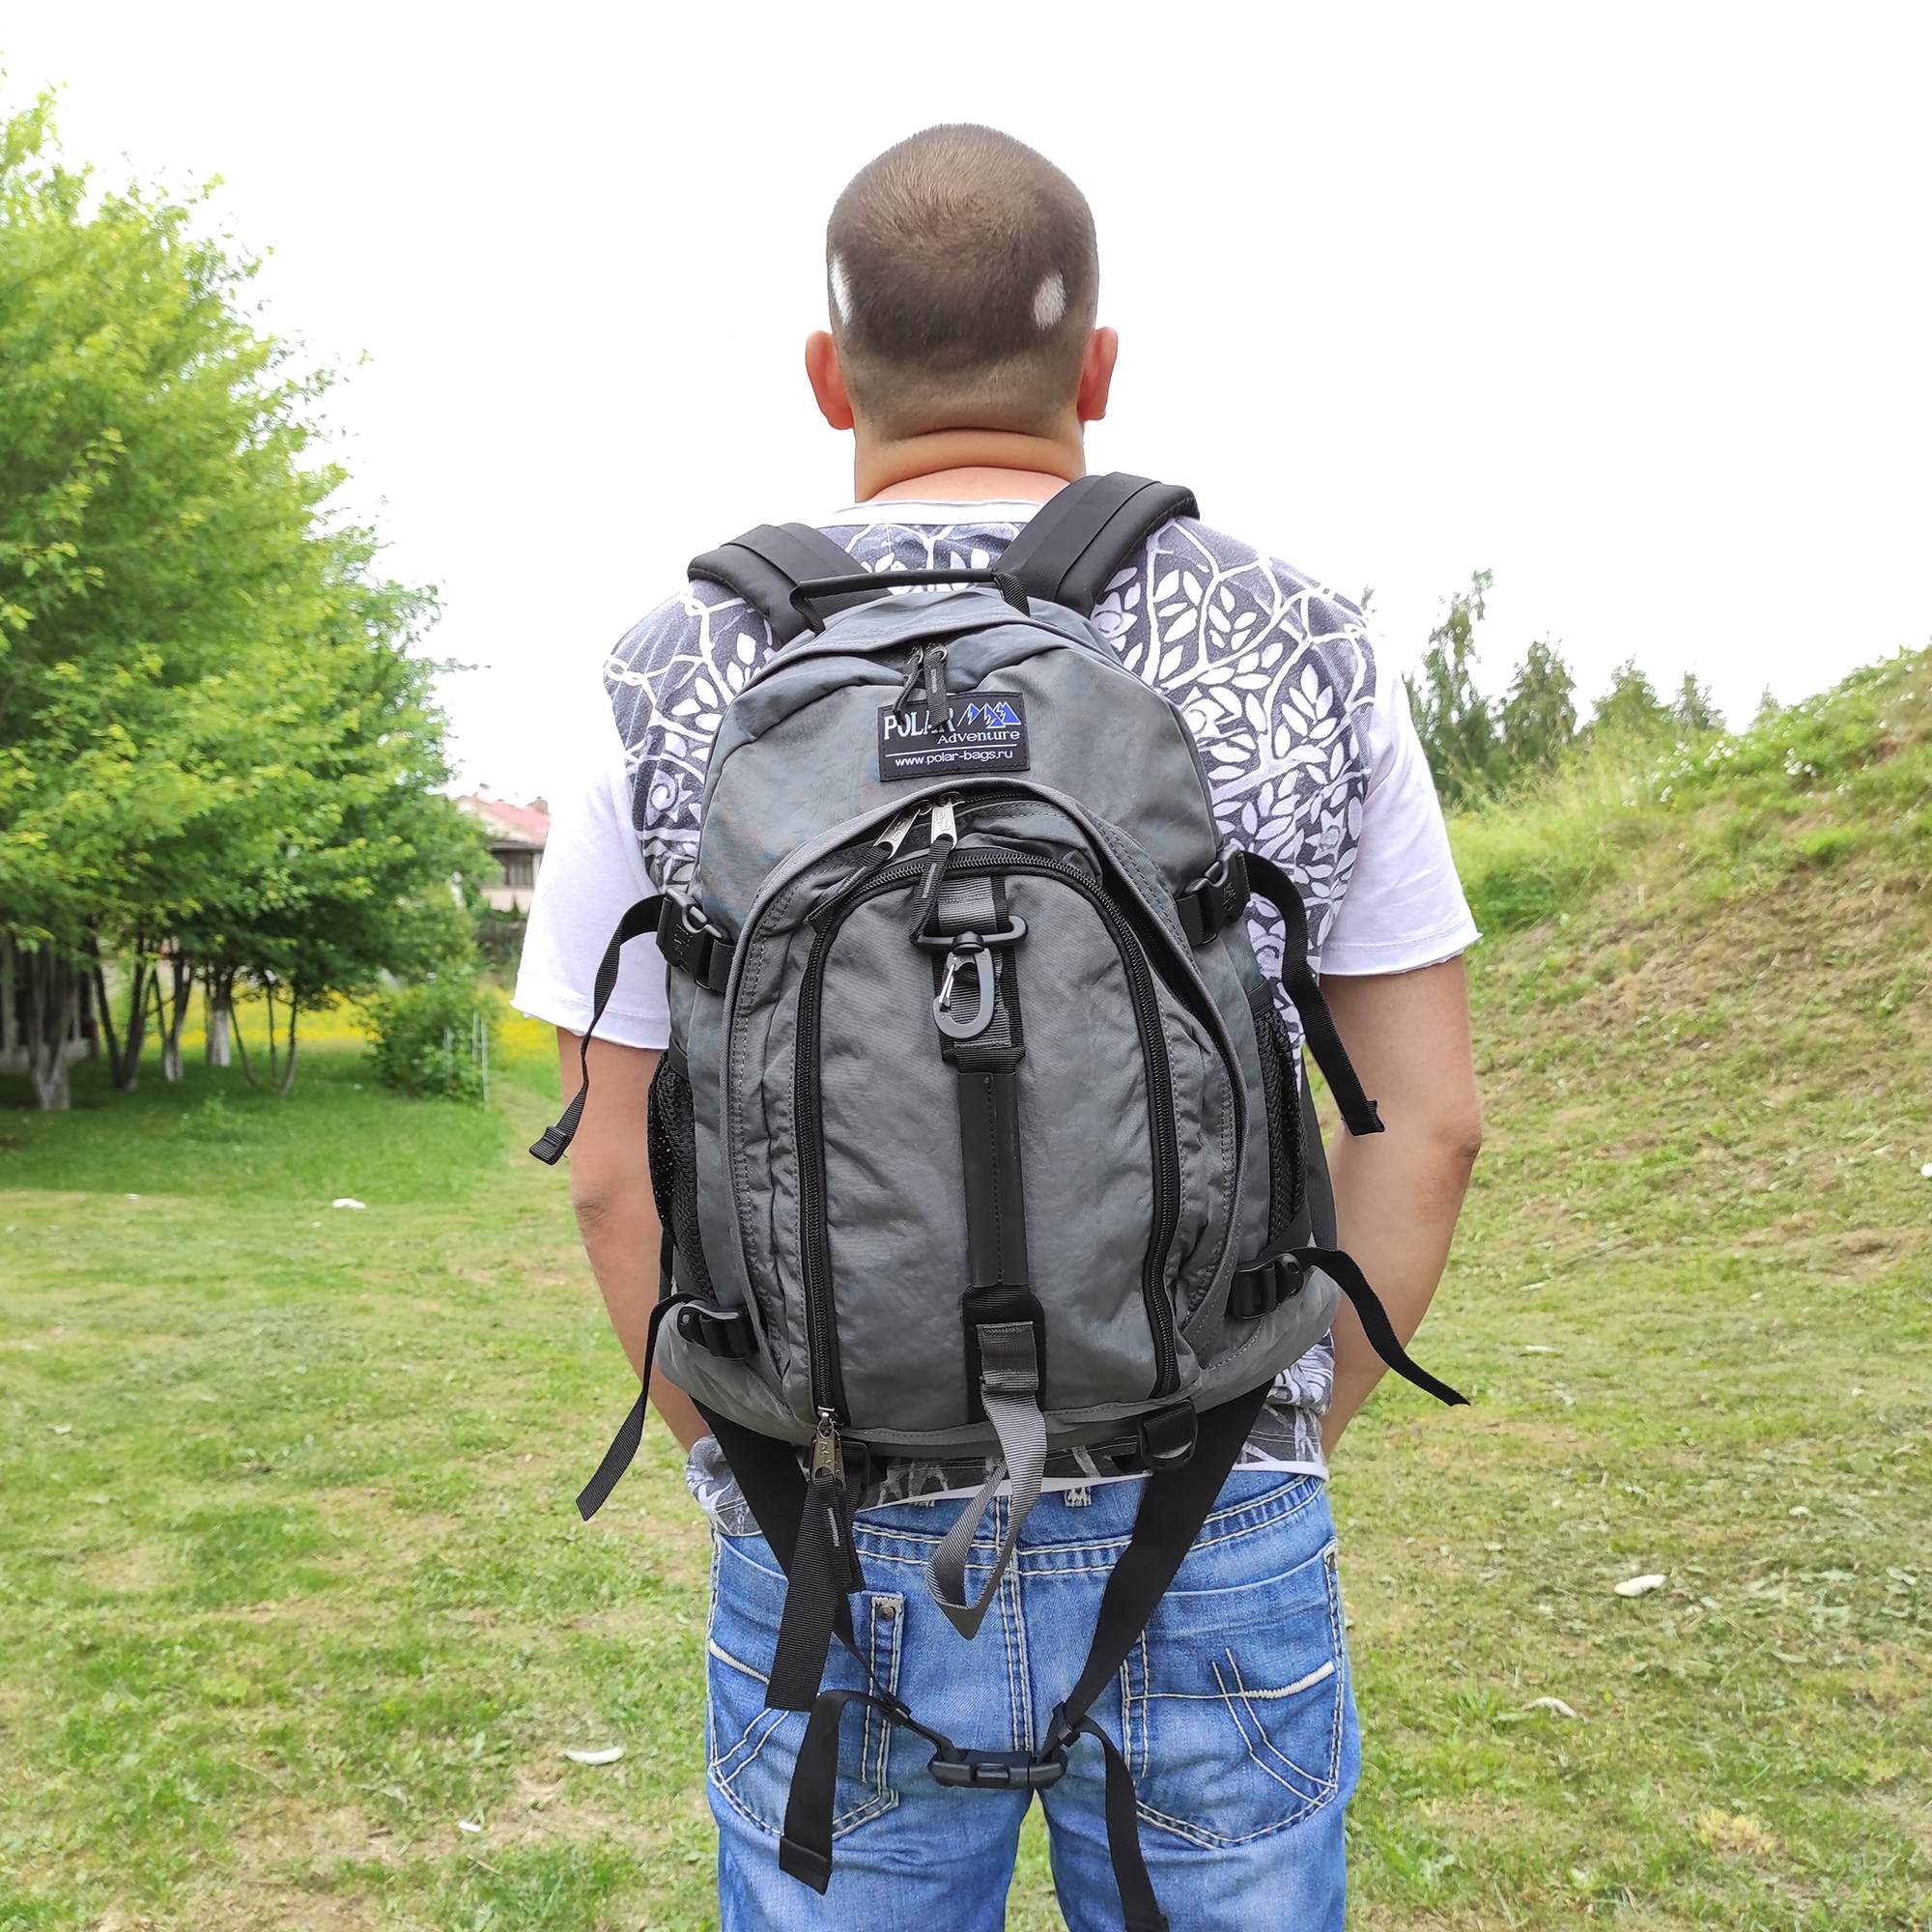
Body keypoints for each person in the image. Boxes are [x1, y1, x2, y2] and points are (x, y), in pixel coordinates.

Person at [516, 122, 1482, 1932]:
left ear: (830, 376)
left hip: (827, 1508)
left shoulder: (668, 671)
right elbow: (1426, 1125)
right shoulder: (1300, 638)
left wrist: (736, 1466)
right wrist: (1278, 1439)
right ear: (1095, 366)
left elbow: (608, 1174)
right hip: (1210, 1482)